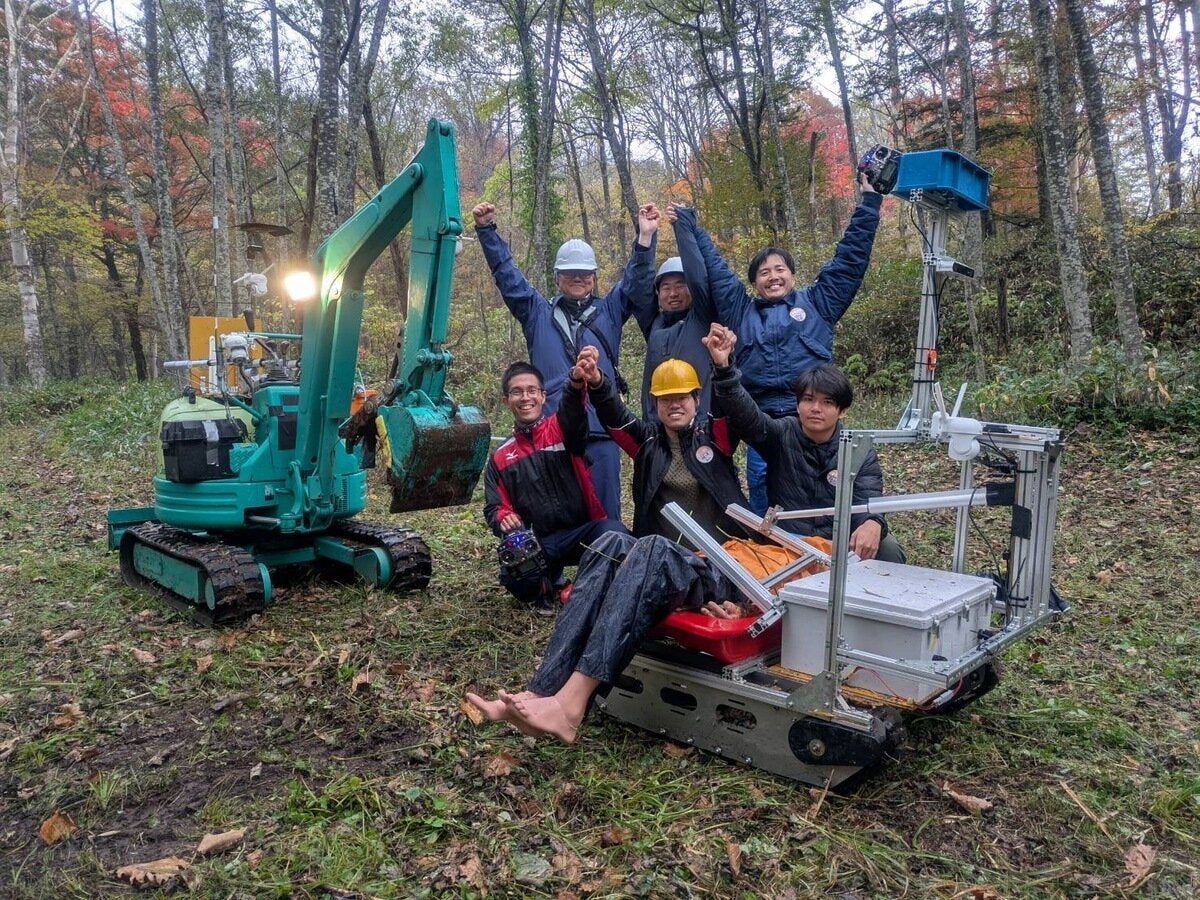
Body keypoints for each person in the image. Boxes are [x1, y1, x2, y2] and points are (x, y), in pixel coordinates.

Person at [466, 348, 760, 742]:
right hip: (656, 562)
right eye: (665, 398)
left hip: (714, 568)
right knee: (609, 541)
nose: (675, 405)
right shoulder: (647, 444)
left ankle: (571, 705)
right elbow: (612, 413)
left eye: (683, 397)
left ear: (696, 399)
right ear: (654, 404)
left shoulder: (718, 439)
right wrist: (597, 379)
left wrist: (724, 367)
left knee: (648, 546)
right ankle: (539, 693)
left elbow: (741, 412)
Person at [673, 174, 883, 514]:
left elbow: (849, 261)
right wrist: (692, 227)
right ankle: (769, 552)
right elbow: (715, 268)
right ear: (754, 282)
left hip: (815, 420)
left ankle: (827, 548)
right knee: (764, 490)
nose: (773, 276)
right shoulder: (740, 311)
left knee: (824, 491)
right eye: (764, 272)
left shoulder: (819, 303)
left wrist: (870, 203)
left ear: (792, 275)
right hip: (764, 425)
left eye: (780, 269)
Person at [473, 201, 660, 520]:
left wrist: (645, 238)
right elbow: (508, 277)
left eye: (585, 273)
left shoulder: (610, 311)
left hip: (601, 432)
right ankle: (550, 570)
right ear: (558, 276)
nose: (578, 278)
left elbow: (635, 280)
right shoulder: (537, 312)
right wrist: (488, 231)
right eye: (571, 272)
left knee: (606, 517)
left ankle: (609, 569)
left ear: (594, 277)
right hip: (552, 434)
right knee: (552, 514)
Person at [705, 323, 905, 563]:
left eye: (827, 402)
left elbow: (868, 498)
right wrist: (724, 368)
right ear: (798, 405)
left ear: (842, 411)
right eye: (808, 400)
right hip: (788, 540)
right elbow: (746, 416)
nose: (816, 409)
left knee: (888, 548)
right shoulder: (781, 434)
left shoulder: (856, 448)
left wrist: (873, 522)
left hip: (840, 541)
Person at [483, 361, 627, 615]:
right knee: (514, 572)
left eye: (531, 390)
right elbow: (494, 506)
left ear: (542, 395)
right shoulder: (500, 457)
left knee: (616, 534)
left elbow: (573, 412)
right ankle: (544, 589)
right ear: (506, 400)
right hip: (541, 542)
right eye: (517, 392)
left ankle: (595, 586)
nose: (525, 397)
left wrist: (574, 383)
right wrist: (502, 517)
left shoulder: (561, 429)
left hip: (583, 532)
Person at [631, 205, 716, 424]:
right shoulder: (654, 324)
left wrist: (683, 229)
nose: (673, 293)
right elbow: (640, 288)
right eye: (666, 287)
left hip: (701, 431)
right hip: (658, 432)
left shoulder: (702, 318)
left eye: (680, 285)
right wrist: (646, 237)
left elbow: (698, 277)